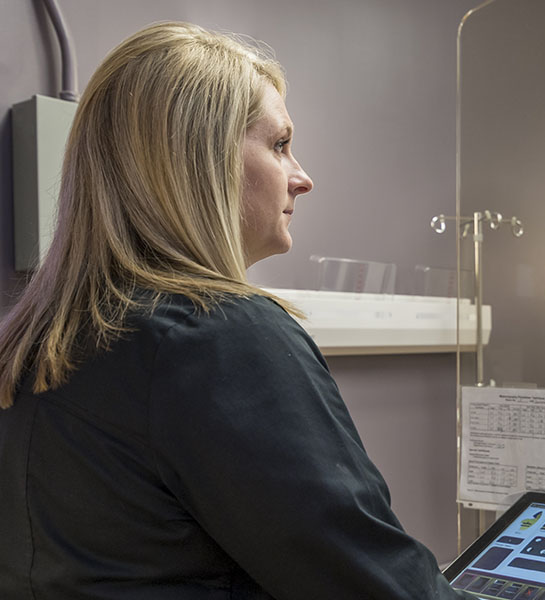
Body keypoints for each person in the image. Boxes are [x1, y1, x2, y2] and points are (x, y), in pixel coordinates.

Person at [0, 22, 475, 599]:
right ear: (200, 162)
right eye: (279, 145)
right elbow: (373, 585)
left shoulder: (36, 340)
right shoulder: (219, 335)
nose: (303, 178)